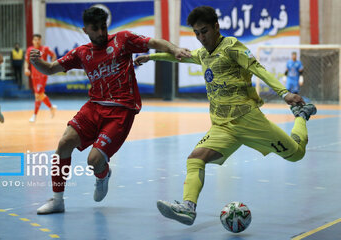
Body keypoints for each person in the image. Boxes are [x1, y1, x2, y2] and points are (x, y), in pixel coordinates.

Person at [134, 6, 317, 226]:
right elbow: (180, 57)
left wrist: (284, 93)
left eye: (205, 31)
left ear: (216, 27)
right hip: (222, 126)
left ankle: (301, 116)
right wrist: (151, 58)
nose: (201, 37)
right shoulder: (202, 54)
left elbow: (258, 68)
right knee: (195, 159)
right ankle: (188, 208)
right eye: (197, 33)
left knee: (296, 154)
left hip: (248, 120)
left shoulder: (232, 47)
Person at [30, 7, 191, 214]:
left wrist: (175, 49)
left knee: (94, 160)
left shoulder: (122, 40)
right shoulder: (82, 53)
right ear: (85, 30)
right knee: (63, 143)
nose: (101, 33)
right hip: (94, 107)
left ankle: (103, 175)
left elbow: (154, 42)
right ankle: (57, 200)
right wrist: (37, 62)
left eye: (103, 27)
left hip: (121, 111)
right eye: (95, 29)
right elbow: (51, 68)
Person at [25, 34, 57, 122]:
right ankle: (51, 108)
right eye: (35, 40)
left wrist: (52, 65)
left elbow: (53, 55)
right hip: (34, 76)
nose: (37, 41)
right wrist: (25, 68)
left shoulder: (45, 49)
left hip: (43, 75)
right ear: (32, 41)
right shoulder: (30, 50)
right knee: (39, 95)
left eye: (38, 40)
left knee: (38, 95)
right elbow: (26, 61)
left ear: (40, 40)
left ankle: (34, 116)